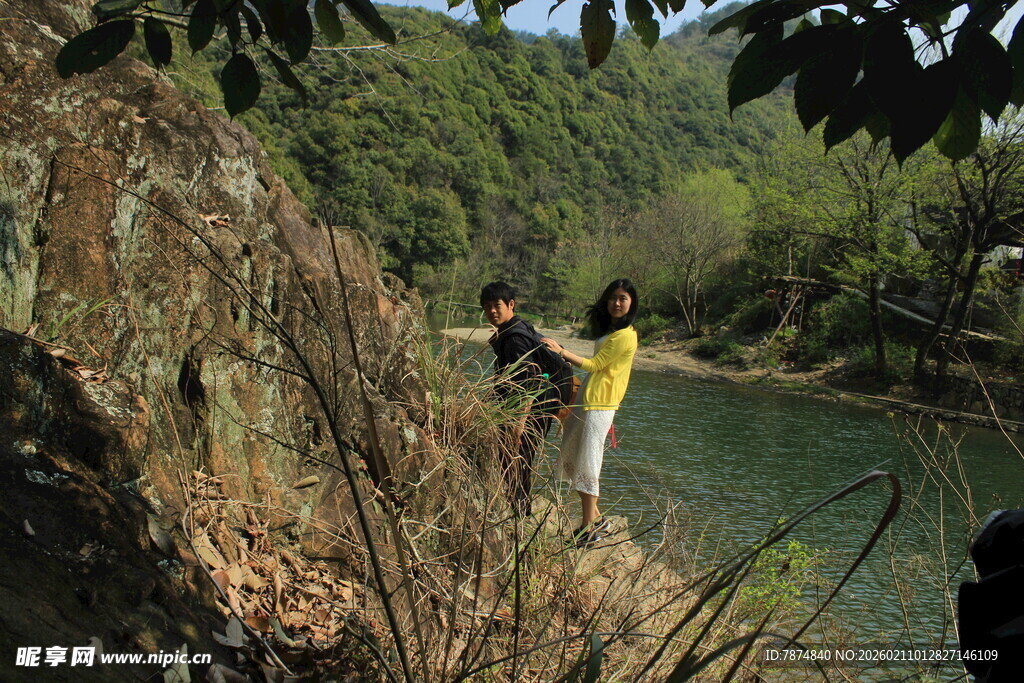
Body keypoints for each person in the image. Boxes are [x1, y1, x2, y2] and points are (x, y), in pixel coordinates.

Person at [542, 278, 638, 548]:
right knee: (576, 457)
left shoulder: (626, 335)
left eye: (623, 299)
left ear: (632, 304)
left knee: (589, 463)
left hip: (600, 406)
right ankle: (597, 520)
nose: (617, 303)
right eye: (613, 298)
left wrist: (562, 352)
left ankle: (588, 529)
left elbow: (595, 365)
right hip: (587, 401)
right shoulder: (614, 331)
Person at [480, 281, 555, 517]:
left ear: (510, 305)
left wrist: (519, 423)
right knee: (516, 463)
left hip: (530, 410)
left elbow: (530, 381)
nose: (492, 311)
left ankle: (519, 517)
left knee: (516, 462)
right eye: (487, 306)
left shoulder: (514, 338)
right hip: (530, 408)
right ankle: (518, 512)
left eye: (497, 305)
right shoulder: (515, 329)